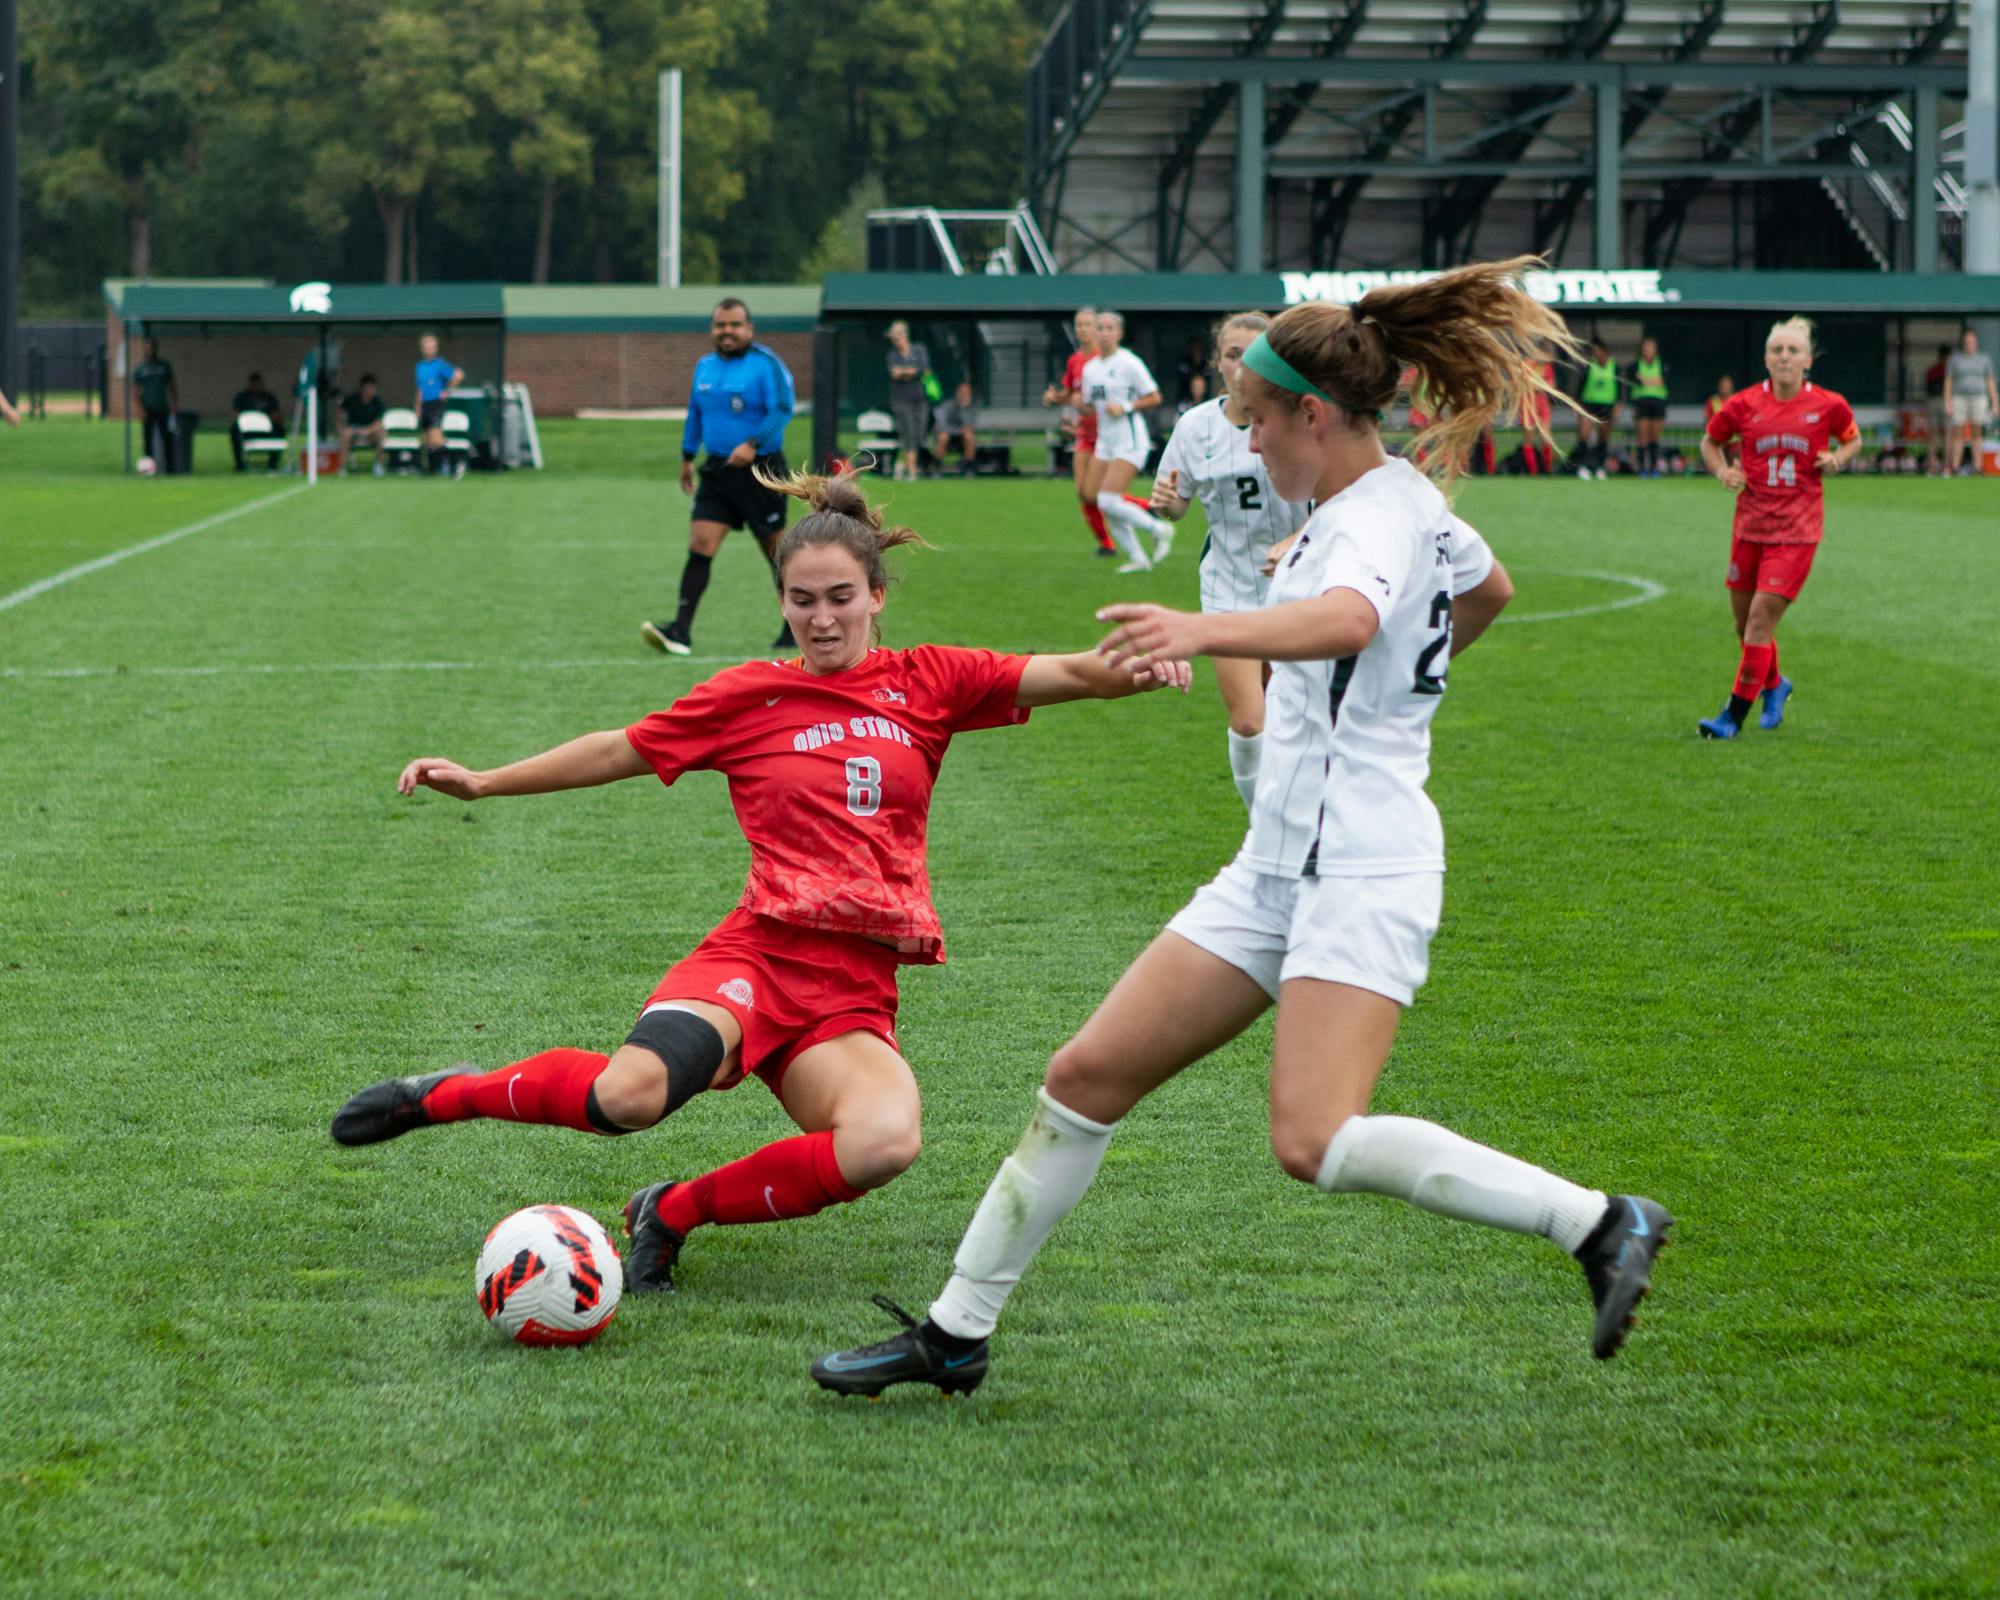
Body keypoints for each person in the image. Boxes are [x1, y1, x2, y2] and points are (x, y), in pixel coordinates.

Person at [812, 258, 1674, 1400]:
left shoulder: (1364, 520)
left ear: (1313, 416)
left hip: (1358, 866)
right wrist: (1394, 694)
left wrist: (1209, 625)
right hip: (1275, 863)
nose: (1247, 444)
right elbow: (1487, 589)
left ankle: (1600, 1221)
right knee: (1082, 1077)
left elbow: (1351, 614)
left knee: (1310, 1140)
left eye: (1257, 422)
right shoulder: (1403, 500)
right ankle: (953, 1332)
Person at [329, 470, 1191, 1298]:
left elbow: (1076, 671)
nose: (822, 619)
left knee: (884, 1142)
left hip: (853, 988)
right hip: (756, 958)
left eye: (841, 598)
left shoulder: (929, 681)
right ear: (781, 600)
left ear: (877, 595)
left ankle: (668, 1212)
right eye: (803, 600)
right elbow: (619, 748)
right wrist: (483, 780)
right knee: (628, 1098)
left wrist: (1154, 660)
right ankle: (443, 1095)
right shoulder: (750, 696)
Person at [1148, 310, 1311, 811]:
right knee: (1247, 721)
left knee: (1298, 716)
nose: (1243, 366)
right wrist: (1166, 503)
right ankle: (1264, 827)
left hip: (1302, 590)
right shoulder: (1195, 427)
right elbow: (1176, 505)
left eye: (1254, 355)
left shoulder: (1300, 417)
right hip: (1230, 589)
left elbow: (1336, 495)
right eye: (1232, 354)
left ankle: (1306, 814)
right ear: (1217, 362)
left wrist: (1297, 539)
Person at [1695, 316, 1862, 740]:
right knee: (1742, 625)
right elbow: (1709, 442)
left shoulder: (1828, 405)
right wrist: (1721, 473)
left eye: (1792, 351)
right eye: (1776, 351)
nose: (1784, 357)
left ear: (1808, 360)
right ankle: (1774, 684)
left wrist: (1838, 460)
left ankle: (1731, 717)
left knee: (1757, 622)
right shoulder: (1744, 404)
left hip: (1797, 531)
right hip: (1749, 526)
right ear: (1766, 359)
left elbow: (1852, 438)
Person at [642, 299, 798, 658]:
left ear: (749, 329)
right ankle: (680, 632)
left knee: (778, 553)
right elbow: (696, 413)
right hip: (717, 471)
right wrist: (686, 456)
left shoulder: (766, 364)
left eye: (735, 325)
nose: (727, 331)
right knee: (700, 544)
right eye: (720, 325)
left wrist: (752, 443)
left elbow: (783, 408)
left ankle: (796, 627)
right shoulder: (705, 367)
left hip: (762, 471)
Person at [1082, 310, 1175, 573]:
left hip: (1130, 440)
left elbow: (1155, 397)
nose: (1103, 333)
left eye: (1109, 328)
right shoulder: (1090, 368)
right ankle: (1139, 558)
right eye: (1099, 328)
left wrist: (1125, 406)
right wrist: (1076, 405)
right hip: (1105, 441)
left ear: (1119, 333)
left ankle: (1159, 528)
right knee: (1095, 497)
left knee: (1108, 501)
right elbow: (1091, 407)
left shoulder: (1129, 362)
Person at [1043, 306, 1118, 558]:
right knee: (1083, 493)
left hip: (1106, 434)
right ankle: (1107, 544)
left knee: (1097, 492)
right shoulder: (1075, 361)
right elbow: (1071, 394)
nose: (1083, 329)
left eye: (1088, 324)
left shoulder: (1105, 362)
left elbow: (1101, 399)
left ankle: (1143, 506)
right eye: (1079, 325)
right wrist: (1055, 398)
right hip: (1084, 434)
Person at [1943, 327, 1997, 477]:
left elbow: (1990, 381)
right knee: (1957, 431)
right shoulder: (1955, 359)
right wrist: (1947, 401)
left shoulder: (1984, 359)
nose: (1969, 344)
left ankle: (1978, 466)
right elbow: (1948, 381)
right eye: (1967, 342)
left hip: (1978, 397)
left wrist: (1995, 403)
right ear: (1963, 343)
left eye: (1972, 342)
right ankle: (1955, 466)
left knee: (1977, 431)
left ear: (1976, 342)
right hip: (1959, 397)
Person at [884, 321, 931, 483]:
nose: (894, 342)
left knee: (919, 436)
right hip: (901, 401)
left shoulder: (919, 350)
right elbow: (895, 374)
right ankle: (912, 473)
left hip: (920, 399)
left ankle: (900, 463)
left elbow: (923, 369)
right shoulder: (892, 355)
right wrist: (911, 371)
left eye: (896, 338)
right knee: (909, 434)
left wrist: (906, 372)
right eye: (893, 339)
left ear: (904, 336)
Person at [414, 334, 464, 478]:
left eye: (431, 346)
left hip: (436, 403)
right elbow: (420, 389)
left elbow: (458, 375)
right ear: (422, 348)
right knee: (427, 440)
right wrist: (417, 406)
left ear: (435, 348)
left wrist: (446, 391)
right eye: (426, 346)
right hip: (425, 404)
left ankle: (456, 464)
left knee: (436, 438)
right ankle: (431, 469)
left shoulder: (440, 364)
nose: (428, 349)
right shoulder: (420, 366)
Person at [1574, 341, 1619, 479]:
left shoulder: (1614, 368)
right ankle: (1583, 466)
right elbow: (1579, 389)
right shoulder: (1588, 367)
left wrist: (1618, 407)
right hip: (1589, 406)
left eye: (1598, 351)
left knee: (1603, 438)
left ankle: (1600, 467)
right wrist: (1577, 406)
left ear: (1605, 352)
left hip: (1606, 406)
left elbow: (1620, 390)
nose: (1595, 354)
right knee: (1584, 435)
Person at [132, 340, 178, 471]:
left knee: (166, 438)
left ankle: (170, 469)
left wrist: (174, 403)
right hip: (148, 408)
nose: (150, 351)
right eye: (147, 349)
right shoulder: (141, 369)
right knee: (148, 440)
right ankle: (148, 468)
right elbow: (135, 390)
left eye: (152, 348)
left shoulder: (163, 366)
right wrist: (140, 409)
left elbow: (171, 385)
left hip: (162, 408)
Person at [1628, 336, 1669, 478]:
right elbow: (1636, 381)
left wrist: (1645, 380)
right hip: (1641, 403)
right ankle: (1641, 469)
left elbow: (1662, 381)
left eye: (1651, 347)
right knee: (1642, 438)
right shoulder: (1635, 366)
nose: (1648, 350)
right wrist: (1652, 381)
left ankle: (1653, 468)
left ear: (1655, 350)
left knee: (1654, 438)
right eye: (1646, 348)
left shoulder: (1662, 364)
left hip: (1658, 403)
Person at [229, 373, 284, 471]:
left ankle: (273, 463)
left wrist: (264, 419)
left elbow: (276, 414)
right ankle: (239, 464)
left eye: (259, 384)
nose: (256, 386)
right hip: (246, 431)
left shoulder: (269, 398)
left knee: (280, 429)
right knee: (234, 430)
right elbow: (235, 414)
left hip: (266, 431)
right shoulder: (242, 397)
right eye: (254, 384)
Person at [340, 375, 387, 474]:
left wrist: (368, 430)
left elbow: (379, 422)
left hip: (370, 431)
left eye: (373, 388)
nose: (371, 390)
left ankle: (378, 466)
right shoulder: (352, 400)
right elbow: (339, 412)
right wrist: (341, 427)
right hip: (353, 430)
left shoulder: (378, 402)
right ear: (362, 388)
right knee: (345, 434)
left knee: (381, 434)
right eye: (368, 388)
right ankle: (342, 467)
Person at [932, 381, 979, 473]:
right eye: (962, 392)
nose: (964, 395)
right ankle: (936, 466)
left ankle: (969, 466)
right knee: (943, 437)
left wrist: (963, 408)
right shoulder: (947, 405)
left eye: (966, 393)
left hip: (962, 438)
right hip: (948, 435)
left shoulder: (971, 408)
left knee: (969, 436)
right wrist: (956, 430)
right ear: (957, 393)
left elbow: (969, 425)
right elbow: (941, 425)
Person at [1923, 343, 1951, 475]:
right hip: (1936, 400)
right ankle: (1934, 464)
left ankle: (1944, 465)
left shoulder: (1947, 370)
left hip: (1943, 401)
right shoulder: (1935, 370)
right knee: (1935, 434)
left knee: (1944, 434)